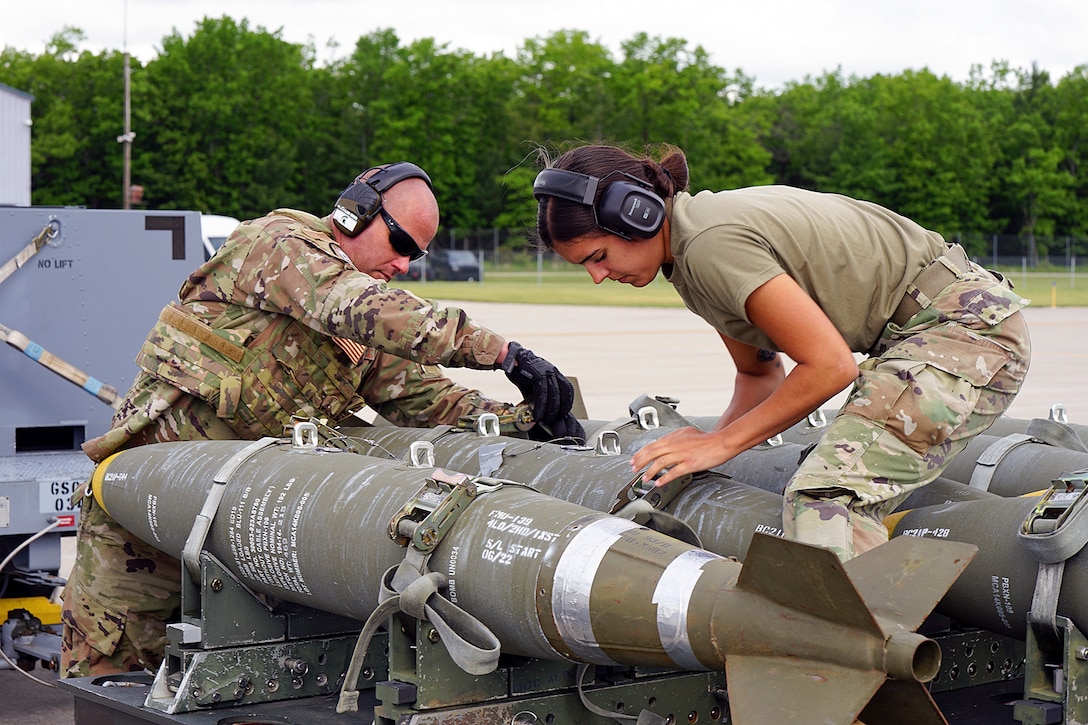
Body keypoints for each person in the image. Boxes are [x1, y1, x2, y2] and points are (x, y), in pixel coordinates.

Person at [62, 161, 584, 677]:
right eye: (401, 244)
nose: (405, 265)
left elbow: (428, 402)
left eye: (416, 256)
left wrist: (524, 422)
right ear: (357, 213)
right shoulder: (277, 246)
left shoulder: (362, 330)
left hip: (242, 522)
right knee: (113, 671)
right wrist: (502, 353)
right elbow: (358, 306)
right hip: (146, 507)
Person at [533, 143, 1030, 562]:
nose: (598, 275)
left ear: (636, 214)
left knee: (829, 498)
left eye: (598, 256)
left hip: (962, 334)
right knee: (833, 472)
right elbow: (758, 376)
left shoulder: (710, 245)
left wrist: (720, 445)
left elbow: (831, 366)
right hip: (929, 337)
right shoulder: (689, 255)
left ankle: (853, 662)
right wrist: (710, 447)